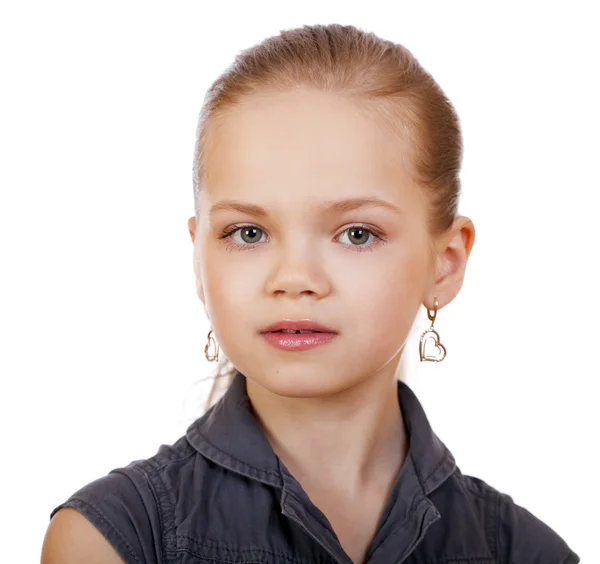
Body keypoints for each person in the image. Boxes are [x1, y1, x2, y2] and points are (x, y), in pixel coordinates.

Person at [41, 23, 580, 564]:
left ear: (445, 263)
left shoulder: (527, 553)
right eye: (247, 233)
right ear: (199, 259)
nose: (294, 278)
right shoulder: (110, 541)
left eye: (357, 234)